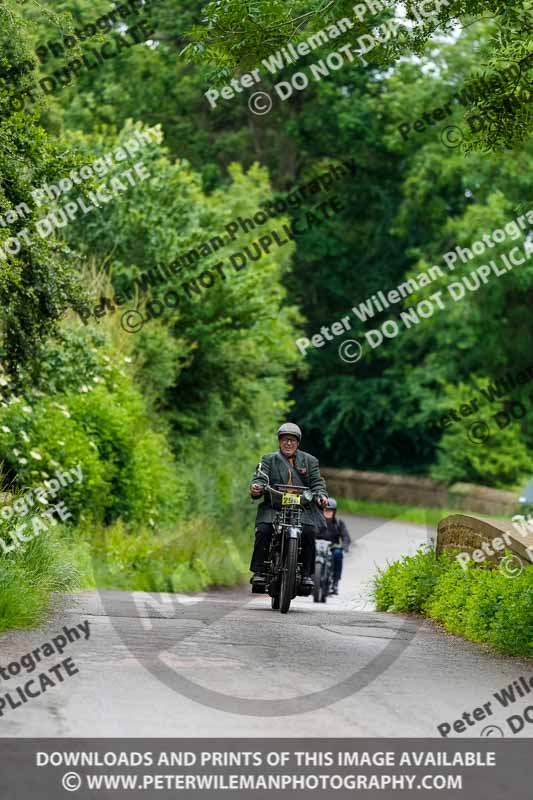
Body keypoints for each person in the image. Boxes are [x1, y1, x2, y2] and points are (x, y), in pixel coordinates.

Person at [249, 422, 328, 589]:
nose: (288, 443)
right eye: (285, 439)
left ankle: (306, 574)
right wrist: (256, 487)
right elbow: (260, 477)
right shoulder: (269, 459)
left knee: (309, 531)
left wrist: (321, 496)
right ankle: (259, 572)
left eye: (292, 440)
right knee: (264, 529)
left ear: (298, 443)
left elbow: (317, 483)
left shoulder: (310, 461)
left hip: (302, 509)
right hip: (274, 507)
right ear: (279, 441)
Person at [322, 497, 351, 594]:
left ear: (334, 511)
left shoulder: (339, 523)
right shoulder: (316, 521)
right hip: (316, 546)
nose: (328, 512)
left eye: (330, 510)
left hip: (332, 547)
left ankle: (335, 583)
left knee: (338, 554)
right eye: (326, 509)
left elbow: (346, 537)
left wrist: (345, 547)